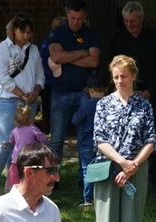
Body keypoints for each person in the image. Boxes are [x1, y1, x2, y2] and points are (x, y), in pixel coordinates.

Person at [91, 54, 156, 222]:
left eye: (124, 76)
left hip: (136, 168)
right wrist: (120, 161)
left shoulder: (144, 106)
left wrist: (132, 166)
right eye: (116, 76)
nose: (120, 80)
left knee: (131, 220)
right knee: (107, 221)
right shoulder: (103, 104)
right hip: (108, 167)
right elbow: (99, 139)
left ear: (133, 77)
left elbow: (150, 140)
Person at [104, 2, 156, 195]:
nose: (129, 25)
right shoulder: (117, 39)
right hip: (123, 95)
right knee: (123, 137)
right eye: (126, 21)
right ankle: (122, 176)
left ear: (141, 19)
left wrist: (148, 91)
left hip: (147, 94)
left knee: (154, 137)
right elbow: (112, 68)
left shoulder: (154, 38)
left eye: (133, 21)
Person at [0, 14, 44, 198]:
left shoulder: (33, 50)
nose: (26, 36)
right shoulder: (2, 49)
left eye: (29, 32)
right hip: (7, 100)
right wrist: (20, 93)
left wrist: (35, 91)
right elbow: (1, 77)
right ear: (14, 31)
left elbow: (40, 75)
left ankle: (13, 183)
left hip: (29, 100)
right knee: (5, 142)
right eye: (22, 32)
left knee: (23, 144)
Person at [44, 1, 100, 165]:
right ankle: (52, 177)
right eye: (73, 18)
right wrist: (82, 53)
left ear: (85, 17)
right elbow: (56, 57)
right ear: (67, 13)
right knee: (57, 139)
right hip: (60, 92)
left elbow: (94, 61)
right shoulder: (57, 33)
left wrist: (67, 57)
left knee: (85, 138)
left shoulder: (91, 34)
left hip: (84, 91)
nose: (76, 22)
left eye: (79, 19)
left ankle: (85, 178)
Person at [72, 75, 107, 206]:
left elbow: (75, 120)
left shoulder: (87, 105)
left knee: (88, 170)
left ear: (90, 91)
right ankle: (104, 195)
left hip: (87, 141)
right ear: (106, 89)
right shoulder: (109, 103)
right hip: (105, 142)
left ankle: (88, 198)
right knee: (103, 167)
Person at [6, 104, 48, 188]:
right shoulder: (33, 129)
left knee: (16, 178)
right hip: (29, 156)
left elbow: (11, 140)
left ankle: (15, 190)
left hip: (16, 158)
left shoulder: (15, 130)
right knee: (29, 175)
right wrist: (40, 144)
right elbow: (42, 138)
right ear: (30, 118)